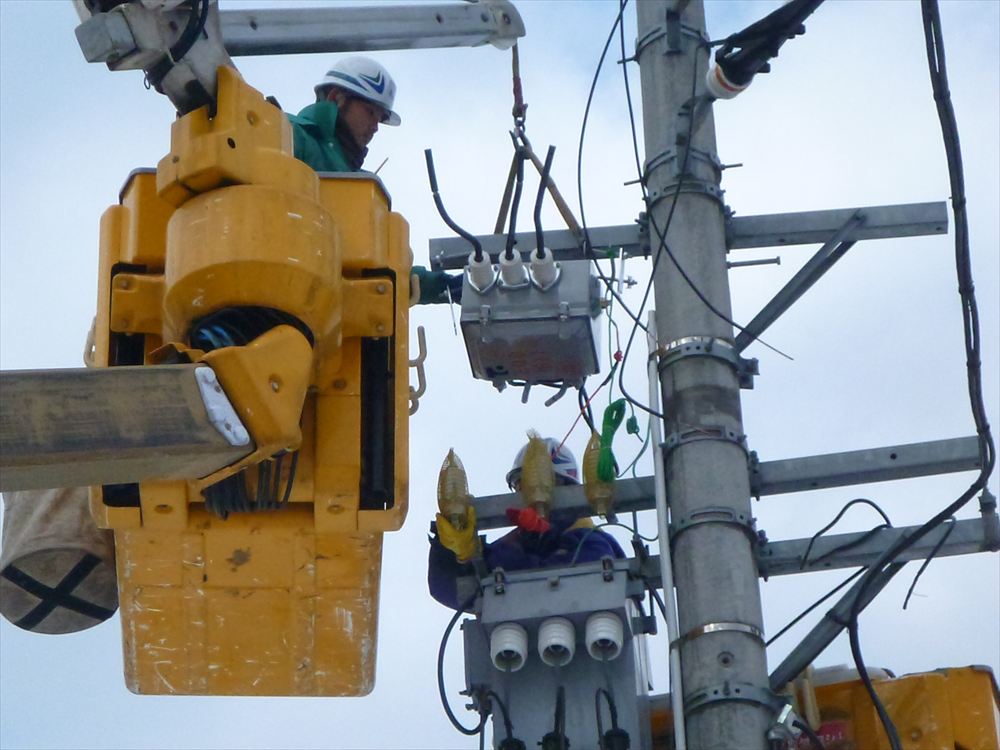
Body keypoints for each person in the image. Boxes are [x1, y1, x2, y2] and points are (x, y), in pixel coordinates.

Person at [288, 56, 459, 304]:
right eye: (369, 112)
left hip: (323, 312)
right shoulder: (290, 133)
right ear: (337, 98)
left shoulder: (360, 185)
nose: (375, 127)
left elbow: (378, 268)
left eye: (380, 118)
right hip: (276, 292)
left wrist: (447, 287)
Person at [427, 438, 626, 610]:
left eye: (541, 485)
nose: (531, 496)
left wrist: (500, 558)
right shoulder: (524, 543)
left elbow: (548, 583)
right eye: (521, 486)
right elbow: (448, 588)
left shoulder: (592, 542)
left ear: (565, 486)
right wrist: (454, 549)